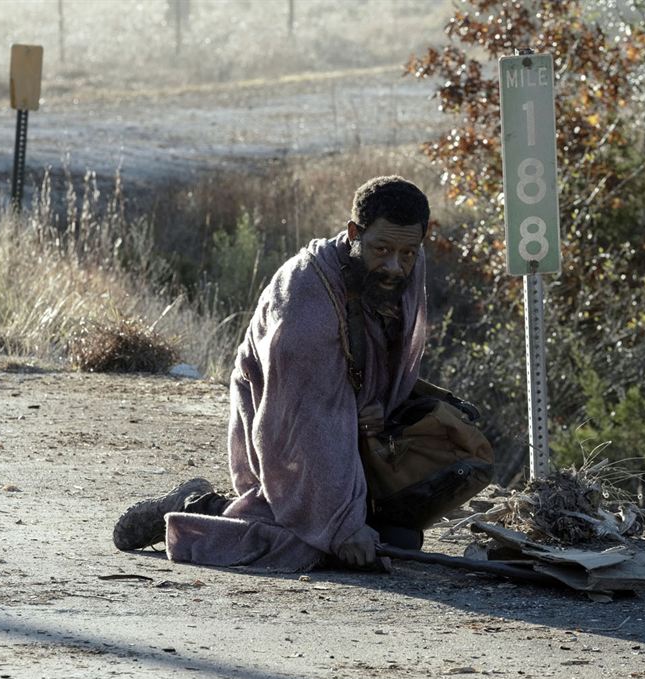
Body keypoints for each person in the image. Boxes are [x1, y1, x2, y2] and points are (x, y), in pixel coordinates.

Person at [113, 176, 433, 571]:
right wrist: (340, 526)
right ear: (354, 234)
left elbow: (393, 365)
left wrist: (373, 409)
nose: (394, 266)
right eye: (381, 249)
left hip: (344, 428)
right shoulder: (307, 302)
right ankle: (196, 505)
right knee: (303, 548)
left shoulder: (403, 266)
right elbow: (302, 418)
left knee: (400, 541)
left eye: (407, 253)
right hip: (285, 426)